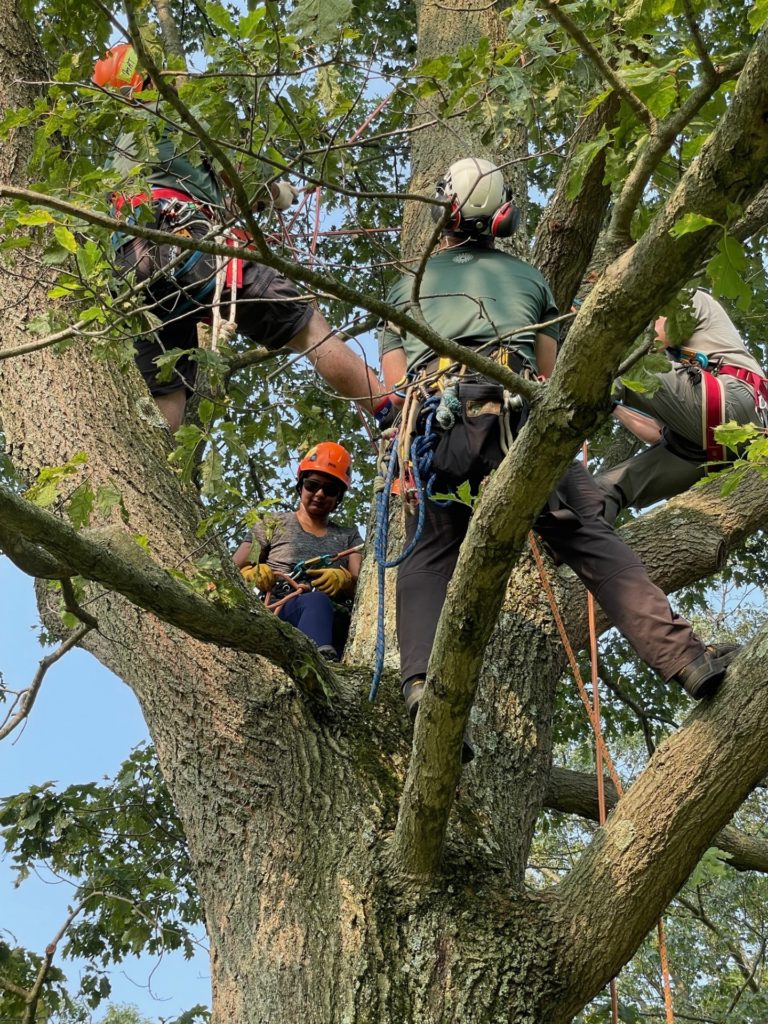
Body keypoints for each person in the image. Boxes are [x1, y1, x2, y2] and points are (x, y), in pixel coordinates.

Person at [378, 158, 737, 755]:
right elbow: (548, 375)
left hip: (437, 428)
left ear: (444, 213)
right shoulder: (531, 281)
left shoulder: (404, 289)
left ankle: (421, 685)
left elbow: (395, 391)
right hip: (515, 421)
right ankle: (686, 659)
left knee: (431, 551)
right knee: (591, 540)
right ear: (503, 217)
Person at [93, 44, 381, 431]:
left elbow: (190, 187)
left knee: (167, 389)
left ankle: (149, 459)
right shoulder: (173, 113)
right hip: (179, 238)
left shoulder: (118, 150)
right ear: (148, 77)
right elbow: (238, 172)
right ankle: (391, 407)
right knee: (306, 325)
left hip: (129, 267)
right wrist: (279, 193)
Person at [596, 288, 768, 523]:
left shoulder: (685, 297)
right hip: (720, 449)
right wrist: (613, 407)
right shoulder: (678, 386)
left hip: (733, 401)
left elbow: (646, 345)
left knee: (613, 358)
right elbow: (657, 434)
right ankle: (572, 531)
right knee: (605, 490)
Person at [233, 442, 363, 660]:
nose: (320, 494)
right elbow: (232, 569)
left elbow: (364, 588)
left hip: (334, 622)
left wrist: (346, 581)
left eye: (330, 490)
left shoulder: (349, 536)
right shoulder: (272, 523)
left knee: (320, 603)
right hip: (281, 611)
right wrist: (251, 573)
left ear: (338, 497)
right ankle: (318, 664)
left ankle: (325, 660)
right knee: (315, 601)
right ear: (301, 486)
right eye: (312, 485)